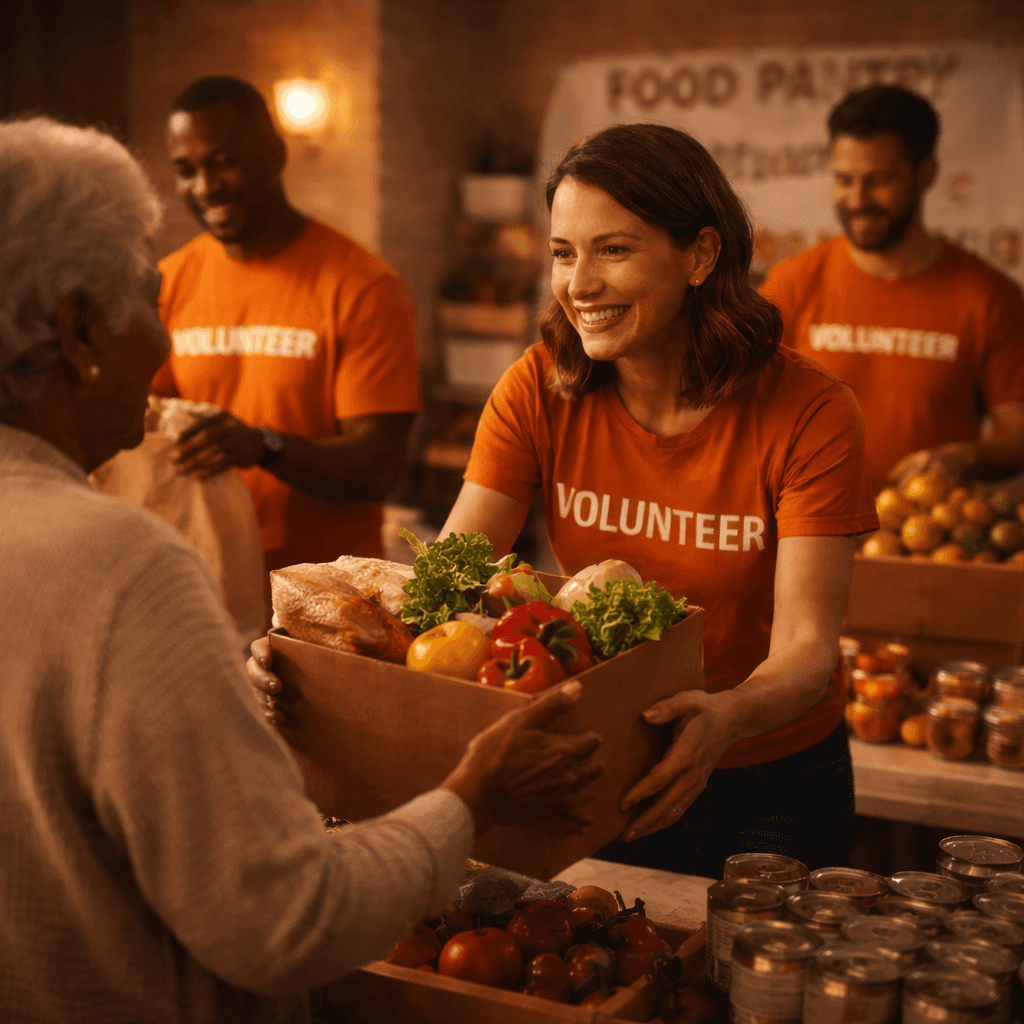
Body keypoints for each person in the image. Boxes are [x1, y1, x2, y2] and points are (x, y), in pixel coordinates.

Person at [0, 117, 602, 1024]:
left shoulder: (358, 282)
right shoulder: (124, 568)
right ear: (80, 329)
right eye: (146, 299)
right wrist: (470, 798)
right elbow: (283, 920)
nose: (164, 349)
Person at [252, 123, 880, 880]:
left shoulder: (810, 411)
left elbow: (808, 650)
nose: (579, 284)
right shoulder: (538, 387)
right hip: (596, 755)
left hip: (767, 779)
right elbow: (444, 587)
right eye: (563, 252)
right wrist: (317, 657)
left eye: (613, 249)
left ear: (701, 256)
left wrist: (725, 717)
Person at [152, 76, 421, 570]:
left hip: (325, 591)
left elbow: (379, 465)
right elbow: (143, 429)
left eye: (224, 162)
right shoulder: (167, 282)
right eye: (186, 169)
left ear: (275, 155)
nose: (205, 187)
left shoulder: (362, 286)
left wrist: (263, 446)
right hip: (201, 575)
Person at [761, 84, 1024, 492]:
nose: (857, 199)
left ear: (926, 174)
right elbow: (744, 412)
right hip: (799, 528)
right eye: (844, 180)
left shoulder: (989, 296)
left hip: (923, 538)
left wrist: (965, 457)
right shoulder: (791, 283)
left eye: (878, 180)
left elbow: (1018, 432)